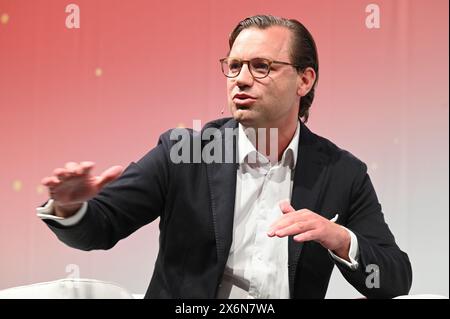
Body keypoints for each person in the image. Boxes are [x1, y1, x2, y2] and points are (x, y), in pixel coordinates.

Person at [37, 15, 412, 299]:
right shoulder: (182, 152)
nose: (242, 79)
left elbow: (394, 277)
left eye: (261, 67)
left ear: (304, 80)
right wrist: (70, 208)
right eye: (234, 66)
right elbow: (99, 229)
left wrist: (340, 239)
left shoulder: (342, 172)